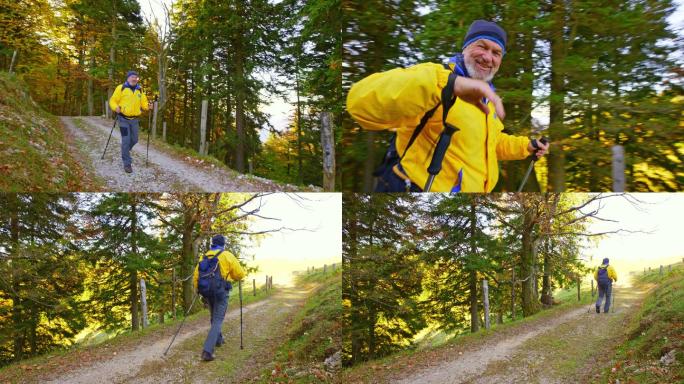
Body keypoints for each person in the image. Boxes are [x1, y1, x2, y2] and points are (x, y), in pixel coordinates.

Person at [347, 20, 550, 192]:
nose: (488, 57)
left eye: (496, 52)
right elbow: (359, 103)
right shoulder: (436, 78)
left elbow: (491, 143)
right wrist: (449, 85)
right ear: (465, 48)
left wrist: (527, 146)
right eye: (481, 46)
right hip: (414, 188)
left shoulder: (488, 97)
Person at [193, 234, 246, 361]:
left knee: (213, 317)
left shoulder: (204, 256)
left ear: (212, 243)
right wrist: (232, 277)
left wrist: (198, 290)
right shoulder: (227, 255)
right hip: (221, 292)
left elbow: (196, 276)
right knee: (217, 319)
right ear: (223, 244)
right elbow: (240, 274)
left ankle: (218, 340)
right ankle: (207, 351)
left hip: (207, 292)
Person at [108, 71, 152, 174]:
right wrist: (115, 107)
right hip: (123, 119)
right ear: (128, 78)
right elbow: (112, 101)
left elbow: (144, 103)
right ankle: (127, 163)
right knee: (126, 140)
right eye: (132, 77)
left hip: (135, 120)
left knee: (135, 139)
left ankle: (125, 150)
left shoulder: (139, 90)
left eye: (136, 77)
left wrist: (148, 106)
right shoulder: (121, 88)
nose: (134, 79)